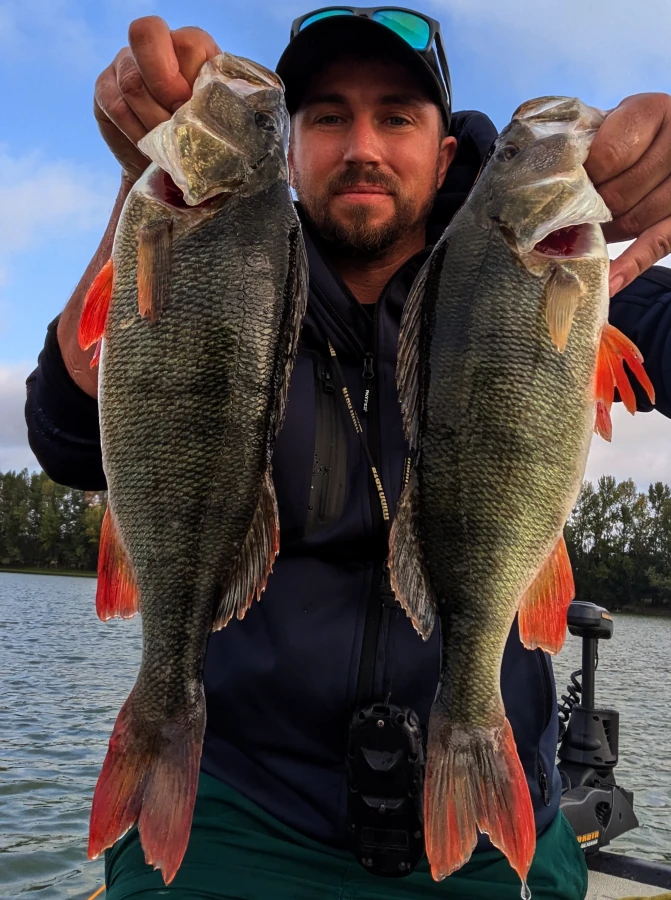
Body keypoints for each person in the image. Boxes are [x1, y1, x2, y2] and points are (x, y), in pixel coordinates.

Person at [25, 9, 671, 900]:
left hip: (492, 806)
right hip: (238, 799)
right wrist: (139, 190)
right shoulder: (232, 259)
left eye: (397, 116)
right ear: (288, 150)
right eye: (326, 116)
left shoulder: (545, 269)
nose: (361, 146)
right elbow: (62, 437)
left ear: (445, 155)